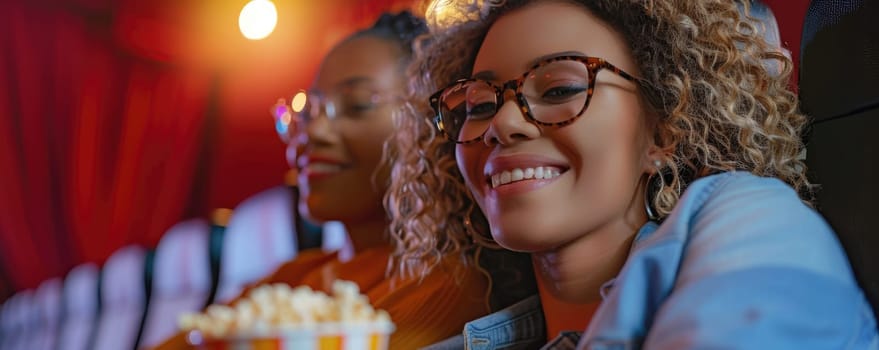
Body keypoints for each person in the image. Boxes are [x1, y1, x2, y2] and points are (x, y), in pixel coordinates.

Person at [389, 0, 879, 348]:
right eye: (477, 103)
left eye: (559, 89)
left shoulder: (746, 211)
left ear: (665, 129)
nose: (501, 123)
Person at [154, 11, 490, 350]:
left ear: (430, 126)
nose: (312, 132)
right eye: (308, 112)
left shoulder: (449, 284)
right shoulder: (293, 278)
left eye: (357, 105)